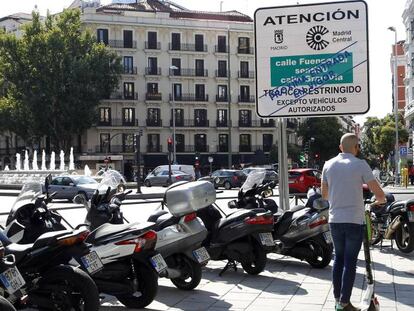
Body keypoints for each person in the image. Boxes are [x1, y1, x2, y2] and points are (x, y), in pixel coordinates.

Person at [321, 133, 386, 311]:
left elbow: (324, 195)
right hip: (354, 221)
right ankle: (344, 303)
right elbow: (380, 195)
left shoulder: (327, 165)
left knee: (338, 260)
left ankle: (337, 302)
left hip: (335, 220)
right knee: (350, 262)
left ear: (341, 147)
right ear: (356, 148)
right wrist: (376, 202)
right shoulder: (360, 164)